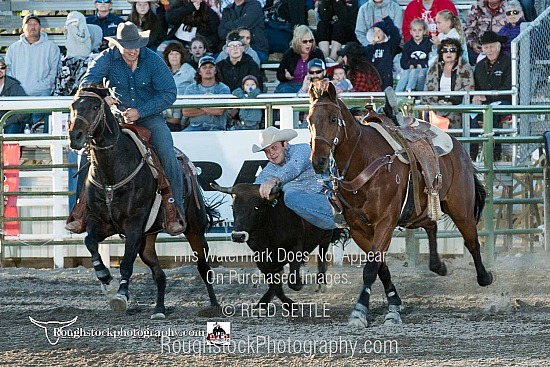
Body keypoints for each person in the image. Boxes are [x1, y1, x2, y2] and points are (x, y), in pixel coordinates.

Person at [67, 22, 186, 235]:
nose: (133, 50)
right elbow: (86, 84)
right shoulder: (106, 57)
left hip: (149, 118)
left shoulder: (153, 60)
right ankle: (81, 209)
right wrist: (103, 95)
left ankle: (173, 209)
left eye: (136, 45)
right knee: (87, 154)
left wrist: (140, 111)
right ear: (118, 45)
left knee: (167, 152)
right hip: (116, 120)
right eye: (128, 46)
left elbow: (169, 93)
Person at [252, 126, 336, 230]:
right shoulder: (269, 170)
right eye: (266, 151)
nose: (271, 154)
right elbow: (254, 188)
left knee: (290, 195)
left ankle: (339, 215)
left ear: (285, 144)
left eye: (274, 148)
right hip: (311, 210)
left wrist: (274, 181)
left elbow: (294, 167)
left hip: (326, 192)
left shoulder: (302, 149)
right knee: (288, 198)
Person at [5, 13, 60, 134]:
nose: (32, 27)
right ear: (23, 28)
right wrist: (20, 90)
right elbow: (8, 74)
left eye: (35, 24)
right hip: (18, 95)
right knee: (12, 119)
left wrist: (36, 87)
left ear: (40, 27)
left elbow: (53, 75)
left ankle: (47, 141)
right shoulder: (13, 48)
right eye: (29, 24)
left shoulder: (52, 48)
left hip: (42, 93)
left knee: (49, 104)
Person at [473, 31, 512, 160]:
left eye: (491, 47)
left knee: (492, 113)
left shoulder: (509, 62)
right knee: (470, 113)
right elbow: (476, 87)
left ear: (498, 46)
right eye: (486, 47)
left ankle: (493, 154)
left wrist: (487, 98)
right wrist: (476, 97)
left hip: (505, 101)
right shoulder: (479, 66)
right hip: (485, 103)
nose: (489, 50)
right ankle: (471, 154)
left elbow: (508, 87)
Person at [423, 38, 474, 128]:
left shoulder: (465, 67)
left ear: (457, 52)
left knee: (455, 114)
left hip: (456, 105)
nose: (448, 53)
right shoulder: (434, 67)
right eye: (445, 50)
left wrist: (451, 102)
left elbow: (469, 88)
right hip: (436, 105)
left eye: (452, 50)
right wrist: (437, 102)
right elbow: (428, 89)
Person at [182, 55, 231, 131]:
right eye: (204, 67)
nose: (208, 70)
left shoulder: (223, 88)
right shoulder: (191, 89)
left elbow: (219, 111)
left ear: (215, 71)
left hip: (217, 128)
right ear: (199, 72)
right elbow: (186, 112)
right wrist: (210, 109)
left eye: (211, 67)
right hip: (194, 128)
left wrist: (198, 106)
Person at [53, 12, 94, 97]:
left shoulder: (91, 62)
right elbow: (60, 87)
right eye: (70, 23)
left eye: (75, 22)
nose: (72, 25)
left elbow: (81, 37)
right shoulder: (65, 63)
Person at [274, 25, 325, 93]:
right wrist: (285, 76)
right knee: (284, 91)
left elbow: (323, 73)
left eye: (310, 41)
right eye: (305, 41)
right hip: (290, 85)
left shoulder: (317, 53)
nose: (308, 44)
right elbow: (279, 75)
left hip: (311, 84)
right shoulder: (289, 54)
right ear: (298, 42)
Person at [162, 42, 196, 131]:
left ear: (181, 56)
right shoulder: (163, 72)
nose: (174, 56)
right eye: (171, 54)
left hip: (183, 113)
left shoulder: (189, 71)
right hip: (165, 113)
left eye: (177, 54)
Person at [465, 0, 508, 65]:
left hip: (502, 48)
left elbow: (516, 29)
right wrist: (473, 43)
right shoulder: (477, 7)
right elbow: (468, 29)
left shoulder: (510, 6)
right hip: (479, 49)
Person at [365, 16, 401, 90]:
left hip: (386, 77)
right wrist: (371, 46)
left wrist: (387, 20)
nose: (376, 33)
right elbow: (367, 59)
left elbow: (395, 35)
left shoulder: (389, 46)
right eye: (374, 31)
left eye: (379, 31)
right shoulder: (370, 47)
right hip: (373, 77)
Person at [396, 18, 431, 92]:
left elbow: (431, 58)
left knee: (418, 73)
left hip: (425, 68)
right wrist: (409, 66)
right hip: (412, 69)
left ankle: (412, 92)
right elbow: (403, 61)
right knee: (406, 73)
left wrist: (421, 65)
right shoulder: (408, 45)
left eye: (420, 30)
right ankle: (397, 93)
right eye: (414, 30)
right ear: (410, 32)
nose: (417, 33)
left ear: (424, 31)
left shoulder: (428, 43)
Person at [0, 57, 30, 134]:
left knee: (12, 128)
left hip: (9, 123)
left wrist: (6, 121)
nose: (0, 70)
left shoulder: (15, 86)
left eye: (2, 67)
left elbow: (25, 111)